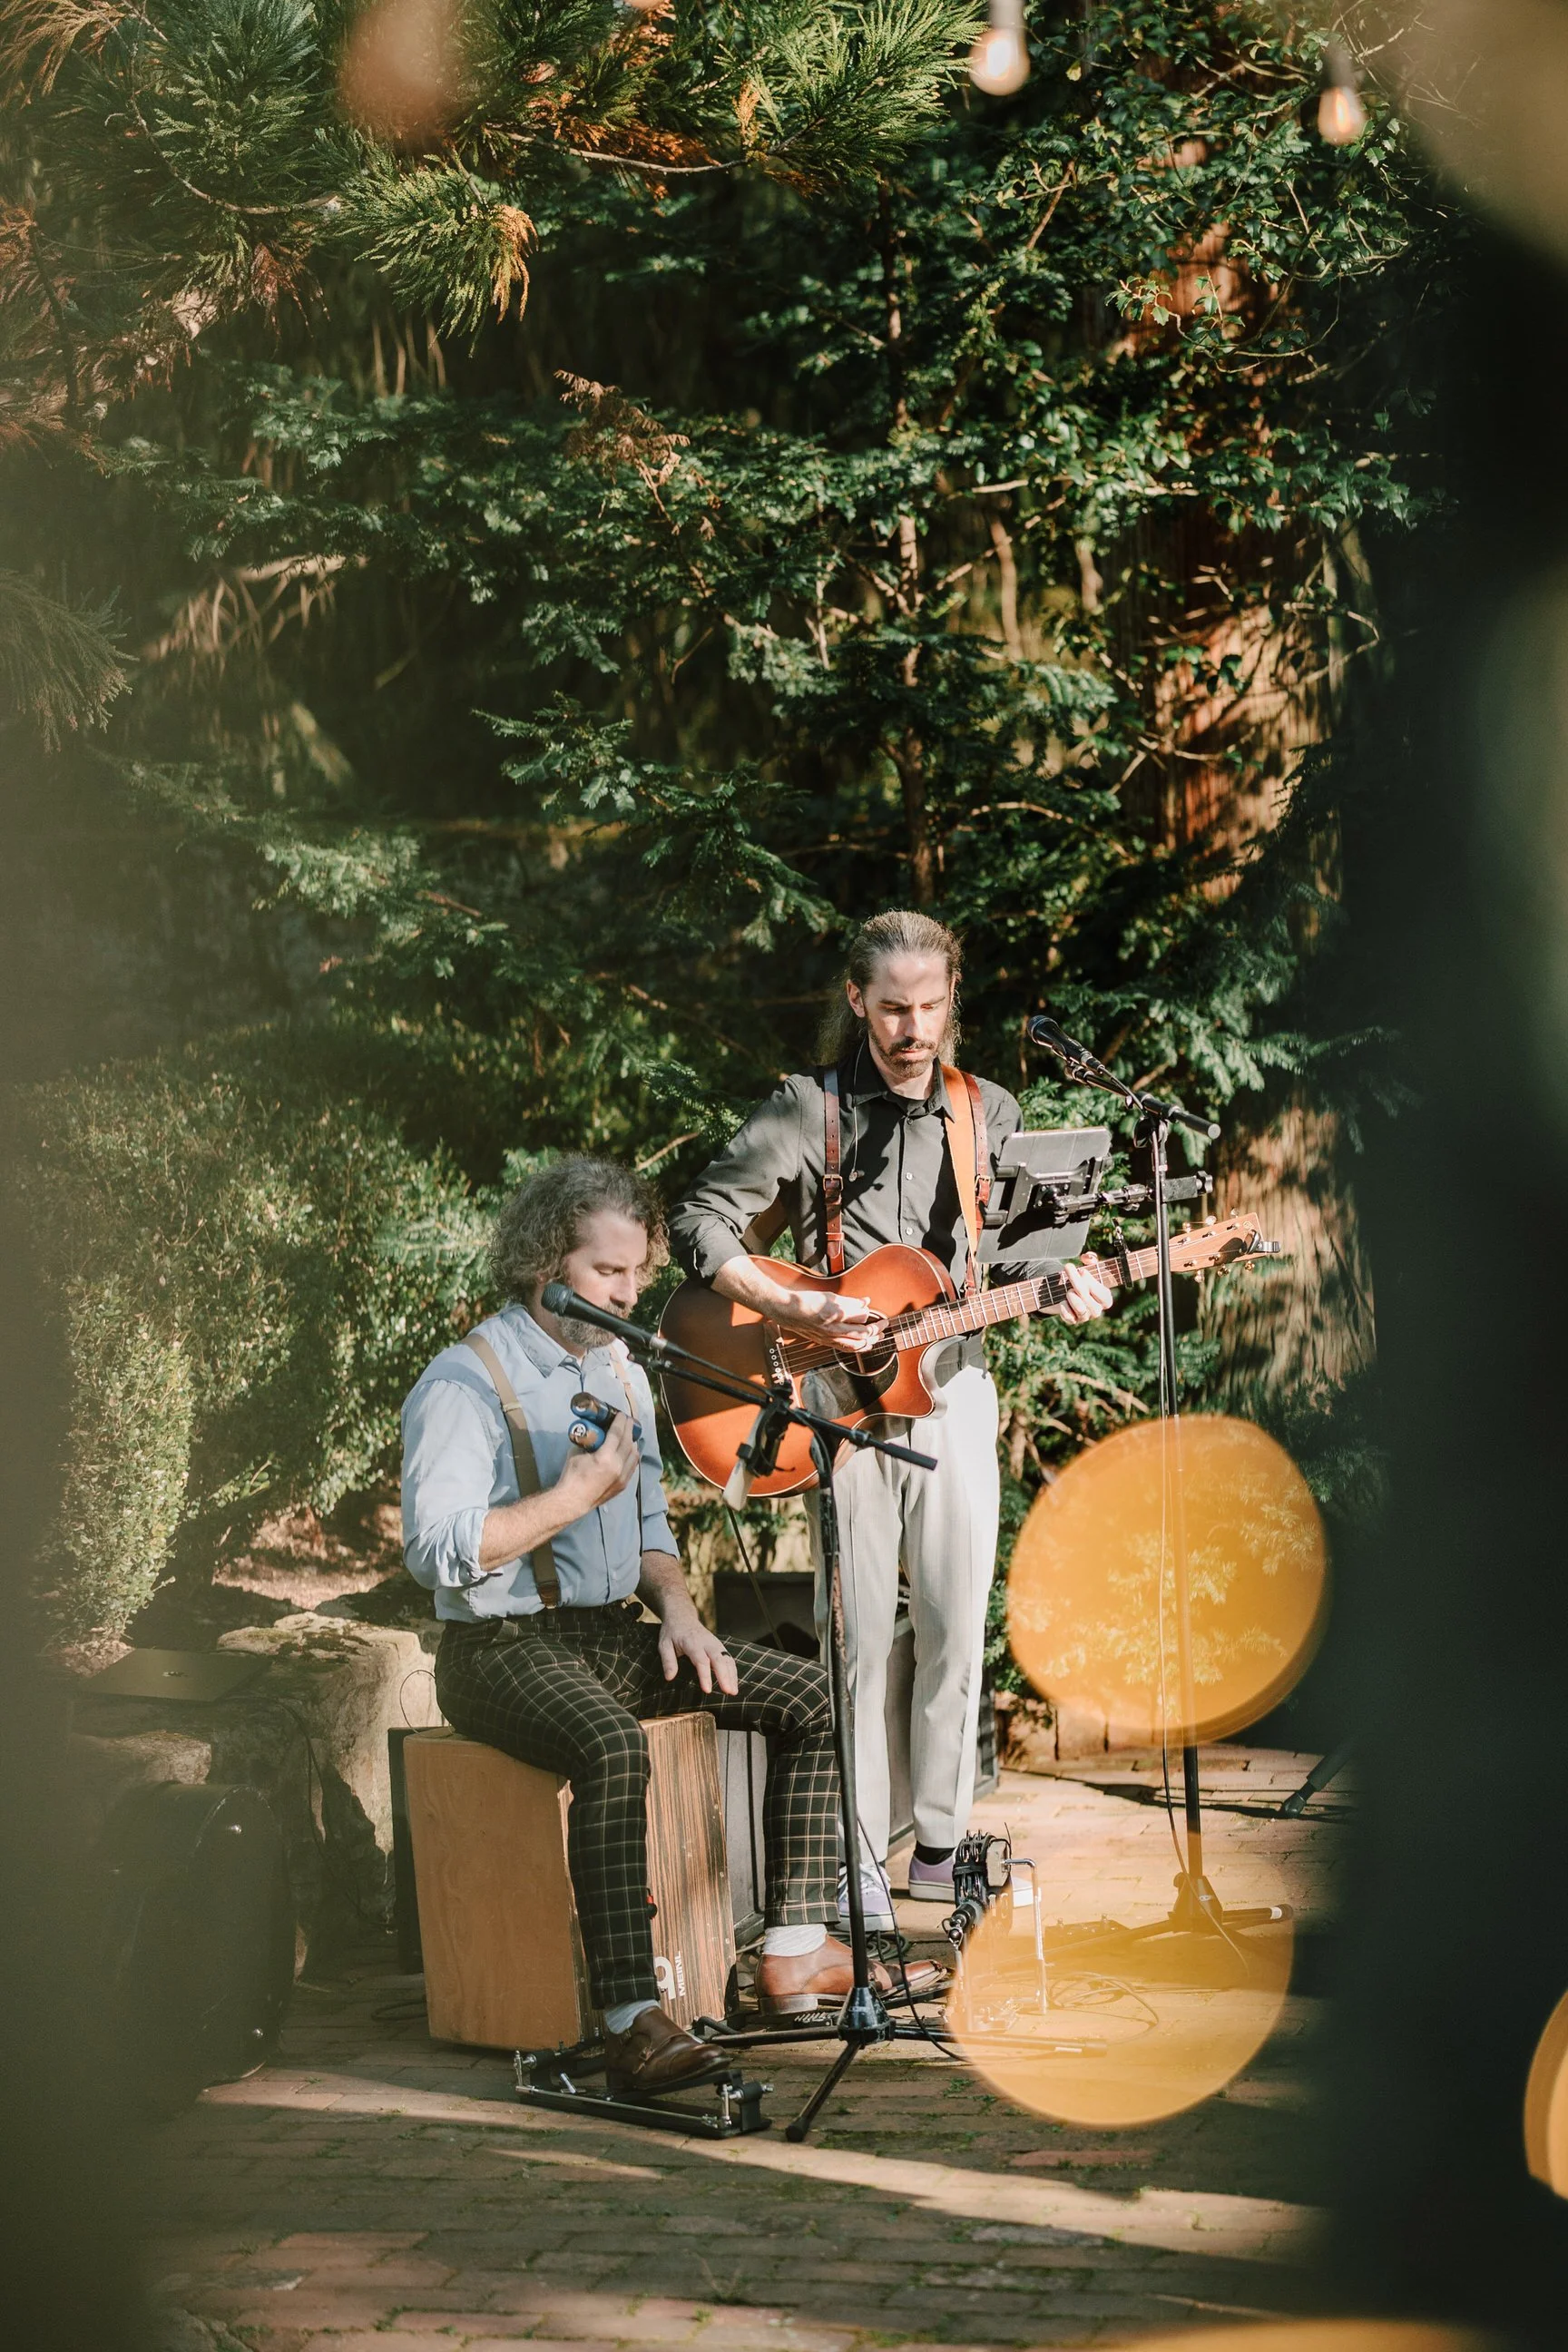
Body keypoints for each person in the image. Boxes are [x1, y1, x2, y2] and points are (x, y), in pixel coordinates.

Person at [671, 910, 1112, 1925]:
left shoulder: (987, 1112)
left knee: (959, 1624)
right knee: (859, 1638)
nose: (914, 1028)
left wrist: (1074, 1287)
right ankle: (858, 1859)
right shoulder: (807, 1107)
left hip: (952, 1382)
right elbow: (698, 1219)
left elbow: (1026, 1264)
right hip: (833, 1397)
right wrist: (793, 1303)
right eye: (894, 1007)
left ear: (954, 998)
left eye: (932, 1006)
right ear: (856, 1000)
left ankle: (941, 1846)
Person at [401, 1156, 877, 2097]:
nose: (625, 1294)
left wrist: (684, 1615)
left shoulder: (617, 1364)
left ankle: (789, 1949)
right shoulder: (463, 1383)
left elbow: (652, 1526)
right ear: (544, 1263)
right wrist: (569, 1497)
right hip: (497, 1650)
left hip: (609, 1632)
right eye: (603, 1274)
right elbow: (436, 1550)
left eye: (635, 1275)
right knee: (613, 1747)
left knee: (812, 1695)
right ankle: (629, 2020)